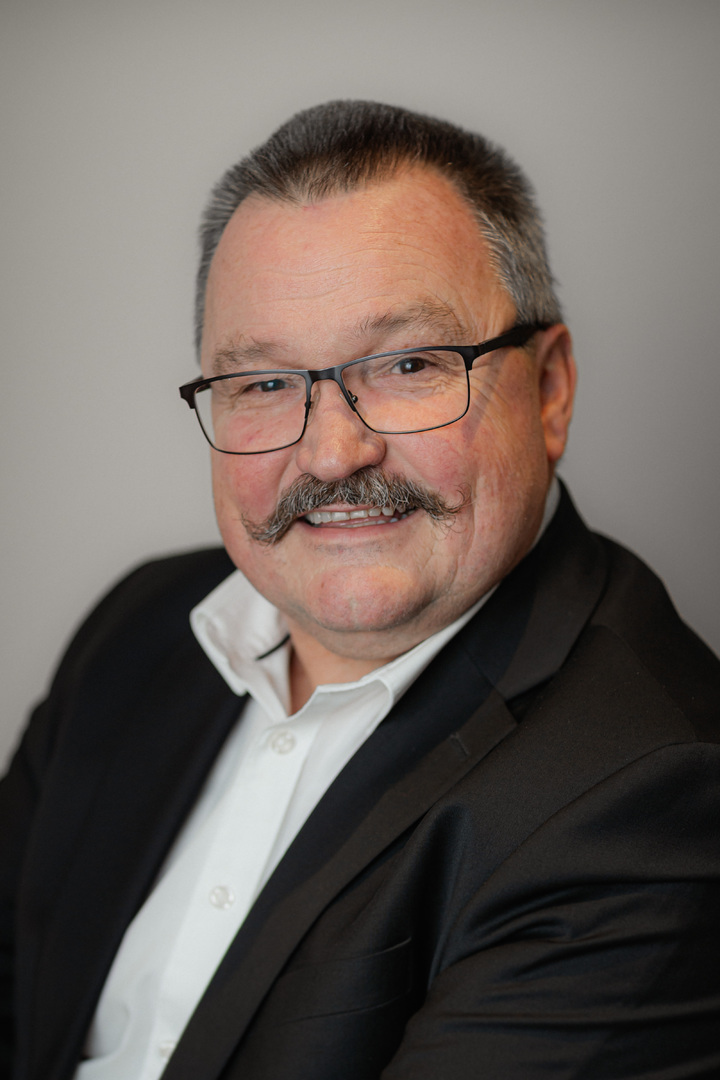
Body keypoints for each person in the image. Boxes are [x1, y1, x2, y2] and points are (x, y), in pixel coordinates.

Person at [1, 101, 719, 1080]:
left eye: (408, 365)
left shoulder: (649, 797)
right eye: (263, 384)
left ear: (549, 390)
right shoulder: (139, 629)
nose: (334, 453)